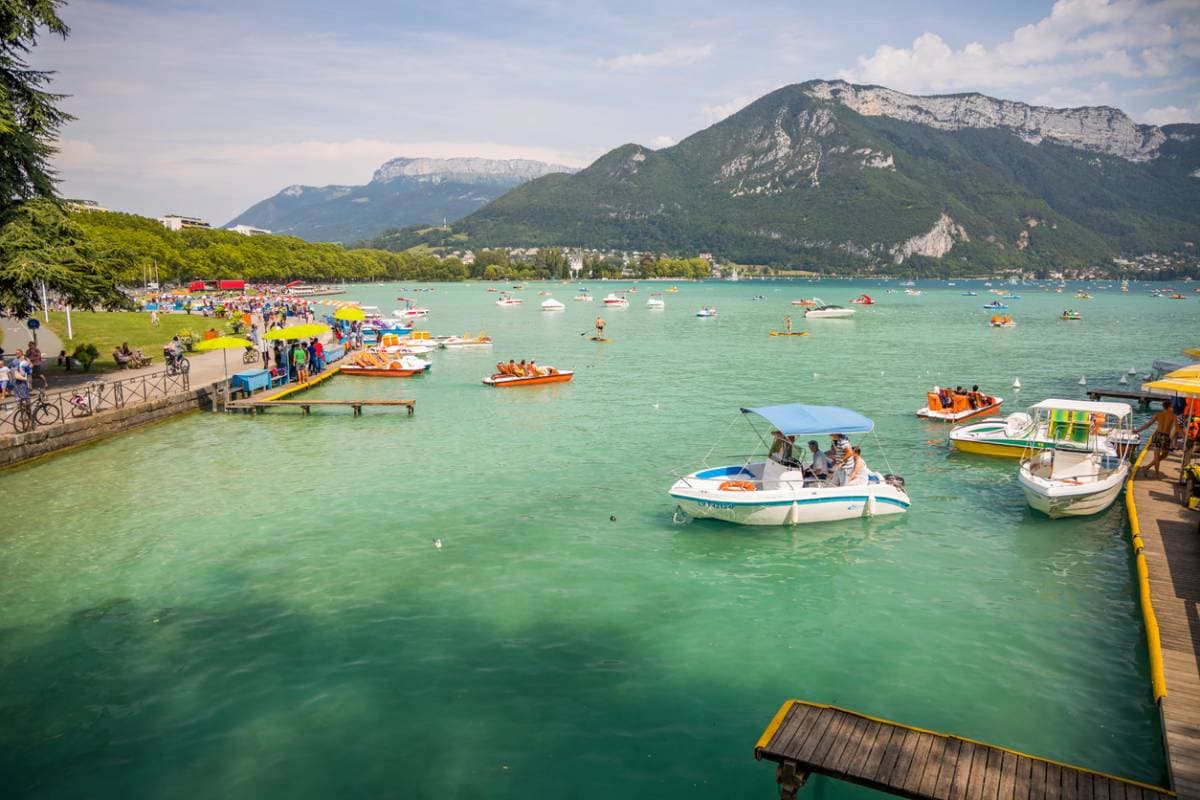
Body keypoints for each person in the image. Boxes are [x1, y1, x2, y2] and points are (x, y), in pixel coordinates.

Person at [1135, 401, 1177, 479]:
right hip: (1165, 436)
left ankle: (1148, 468)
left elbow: (1148, 425)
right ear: (1169, 407)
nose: (1173, 409)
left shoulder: (1158, 414)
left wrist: (1137, 430)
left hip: (1157, 435)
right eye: (1172, 407)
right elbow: (1175, 430)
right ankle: (1155, 473)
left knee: (1158, 455)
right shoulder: (1173, 416)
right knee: (1163, 455)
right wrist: (1174, 442)